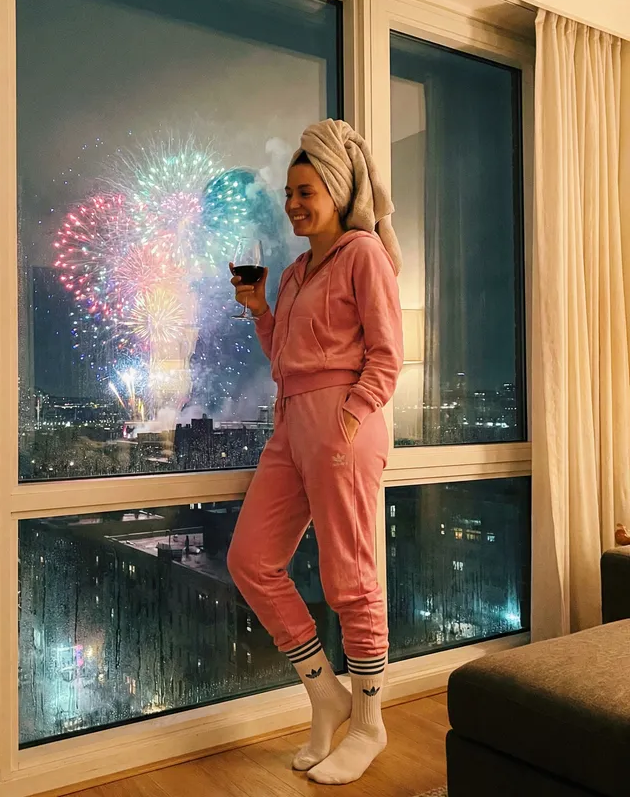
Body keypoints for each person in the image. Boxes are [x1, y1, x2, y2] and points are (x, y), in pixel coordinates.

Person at [227, 119, 403, 786]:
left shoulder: (363, 254)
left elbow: (387, 354)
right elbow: (285, 358)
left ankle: (370, 723)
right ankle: (326, 694)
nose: (293, 204)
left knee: (350, 579)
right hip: (290, 423)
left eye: (305, 192)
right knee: (251, 560)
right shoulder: (297, 271)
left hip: (339, 423)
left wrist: (350, 418)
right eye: (288, 193)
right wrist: (259, 309)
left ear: (336, 189)